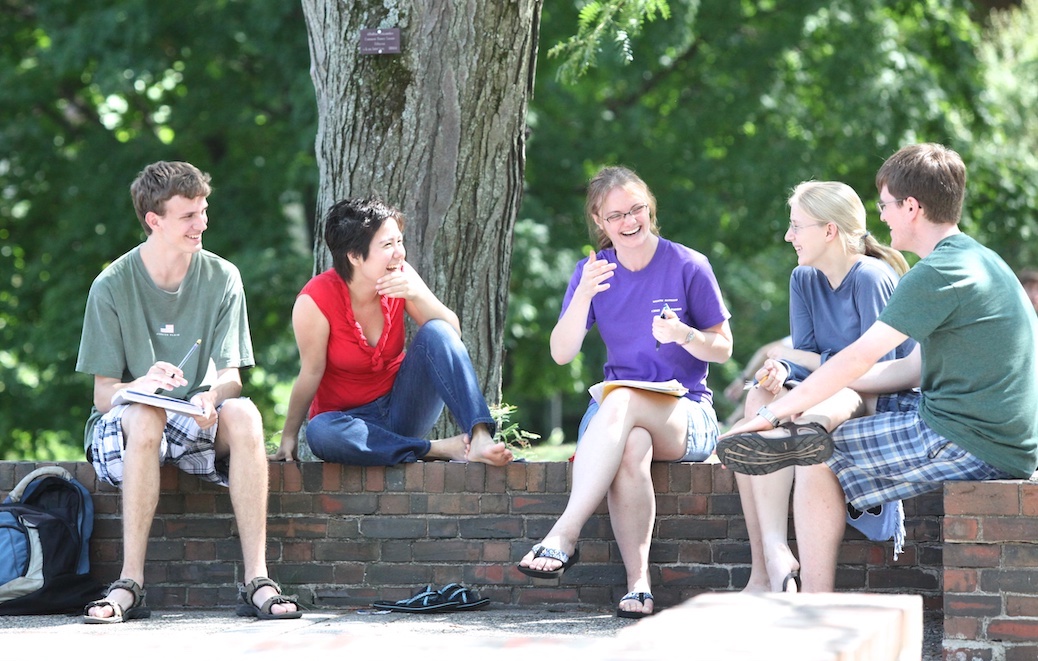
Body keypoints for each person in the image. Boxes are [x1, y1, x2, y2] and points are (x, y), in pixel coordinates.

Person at [721, 143, 1038, 593]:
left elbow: (857, 356)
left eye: (886, 205)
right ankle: (799, 428)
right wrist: (805, 393)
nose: (881, 216)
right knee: (815, 430)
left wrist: (770, 414)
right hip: (999, 437)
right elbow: (909, 369)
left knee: (819, 455)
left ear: (912, 207)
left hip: (969, 441)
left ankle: (814, 603)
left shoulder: (937, 273)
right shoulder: (976, 259)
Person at [76, 161, 300, 622]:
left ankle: (258, 581)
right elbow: (104, 397)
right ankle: (129, 584)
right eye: (188, 216)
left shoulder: (223, 277)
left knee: (245, 413)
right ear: (153, 220)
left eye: (204, 210)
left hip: (195, 422)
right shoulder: (111, 286)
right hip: (127, 429)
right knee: (143, 414)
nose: (202, 223)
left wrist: (211, 396)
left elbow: (231, 373)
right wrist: (141, 386)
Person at [516, 166, 732, 618]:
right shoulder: (592, 272)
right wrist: (582, 296)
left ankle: (565, 533)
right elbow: (561, 353)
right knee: (631, 444)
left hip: (686, 412)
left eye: (637, 209)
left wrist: (685, 335)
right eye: (617, 215)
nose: (630, 221)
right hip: (620, 418)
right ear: (599, 220)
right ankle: (638, 585)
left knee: (622, 401)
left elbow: (724, 347)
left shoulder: (688, 264)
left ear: (649, 207)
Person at [718, 181, 916, 593]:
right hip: (830, 390)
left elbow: (876, 373)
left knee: (791, 414)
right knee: (759, 394)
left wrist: (800, 365)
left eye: (796, 226)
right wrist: (779, 370)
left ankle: (772, 568)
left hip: (879, 398)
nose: (788, 236)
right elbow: (803, 357)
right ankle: (770, 560)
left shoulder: (870, 277)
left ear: (829, 231)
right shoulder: (802, 278)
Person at [270, 196, 512, 467]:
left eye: (399, 241)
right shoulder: (315, 300)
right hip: (351, 425)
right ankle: (433, 449)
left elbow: (450, 336)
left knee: (436, 331)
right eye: (388, 245)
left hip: (404, 407)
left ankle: (479, 437)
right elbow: (311, 372)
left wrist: (418, 294)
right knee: (320, 432)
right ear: (353, 256)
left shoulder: (401, 276)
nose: (400, 253)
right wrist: (289, 437)